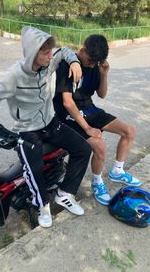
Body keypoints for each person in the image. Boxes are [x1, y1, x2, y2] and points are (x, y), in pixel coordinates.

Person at [0, 26, 91, 228]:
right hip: (27, 130)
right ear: (33, 53)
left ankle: (64, 193)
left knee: (84, 149)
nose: (50, 55)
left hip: (50, 123)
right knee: (33, 168)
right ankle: (42, 205)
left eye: (50, 51)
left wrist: (74, 61)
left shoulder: (49, 62)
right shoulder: (14, 76)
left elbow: (64, 52)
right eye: (45, 52)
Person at [53, 34, 141, 206]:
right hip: (69, 114)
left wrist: (104, 74)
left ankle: (117, 171)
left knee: (129, 131)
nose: (91, 64)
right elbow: (67, 102)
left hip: (90, 109)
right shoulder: (68, 65)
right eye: (90, 60)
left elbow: (101, 94)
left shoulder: (96, 66)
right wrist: (88, 129)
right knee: (99, 145)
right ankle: (97, 181)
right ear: (82, 50)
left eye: (95, 62)